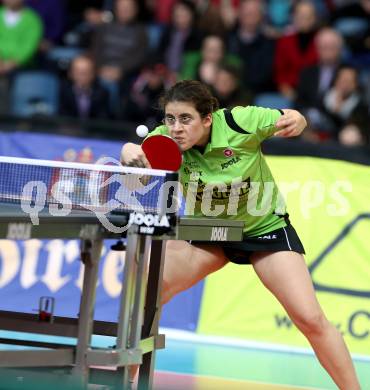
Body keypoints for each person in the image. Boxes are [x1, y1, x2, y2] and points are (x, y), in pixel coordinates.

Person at [120, 80, 361, 389]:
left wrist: (297, 119)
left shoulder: (240, 121)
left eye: (185, 119)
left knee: (310, 319)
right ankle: (121, 382)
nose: (176, 128)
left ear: (207, 118)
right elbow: (136, 181)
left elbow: (289, 116)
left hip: (264, 231)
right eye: (170, 119)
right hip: (209, 234)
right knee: (145, 298)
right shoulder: (163, 142)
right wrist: (128, 152)